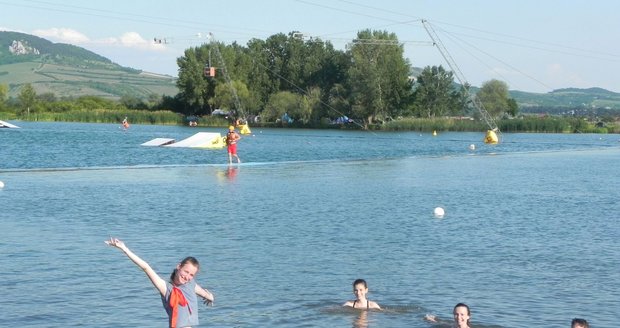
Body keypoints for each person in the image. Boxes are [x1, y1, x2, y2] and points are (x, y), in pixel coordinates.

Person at [105, 237, 214, 328]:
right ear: (179, 266)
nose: (187, 277)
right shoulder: (166, 289)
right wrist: (125, 249)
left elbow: (204, 293)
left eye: (191, 275)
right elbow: (146, 267)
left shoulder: (190, 284)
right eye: (186, 272)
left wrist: (210, 297)